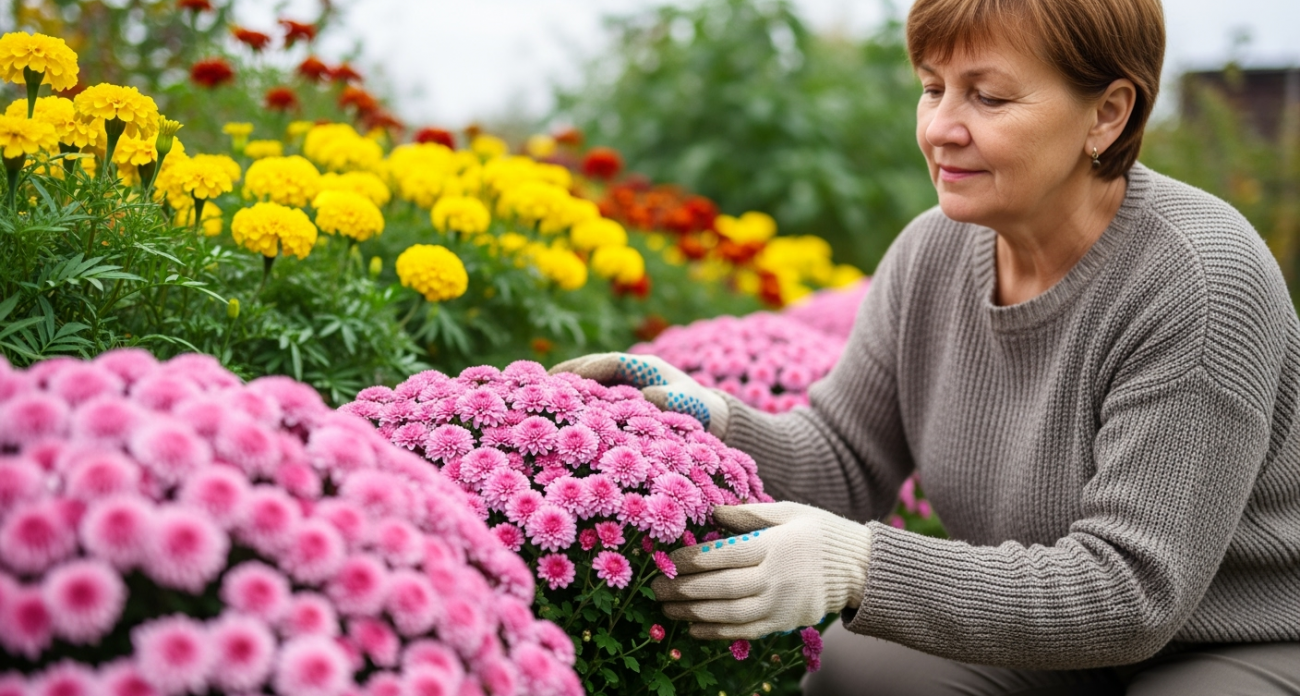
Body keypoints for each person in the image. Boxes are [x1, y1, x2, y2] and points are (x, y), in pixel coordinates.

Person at [552, 0, 1300, 692]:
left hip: (1232, 639)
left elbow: (1133, 590)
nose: (941, 126)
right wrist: (700, 418)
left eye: (988, 96)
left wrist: (860, 564)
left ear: (1106, 113)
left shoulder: (1198, 280)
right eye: (932, 87)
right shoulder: (933, 254)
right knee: (847, 670)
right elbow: (844, 458)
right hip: (1049, 641)